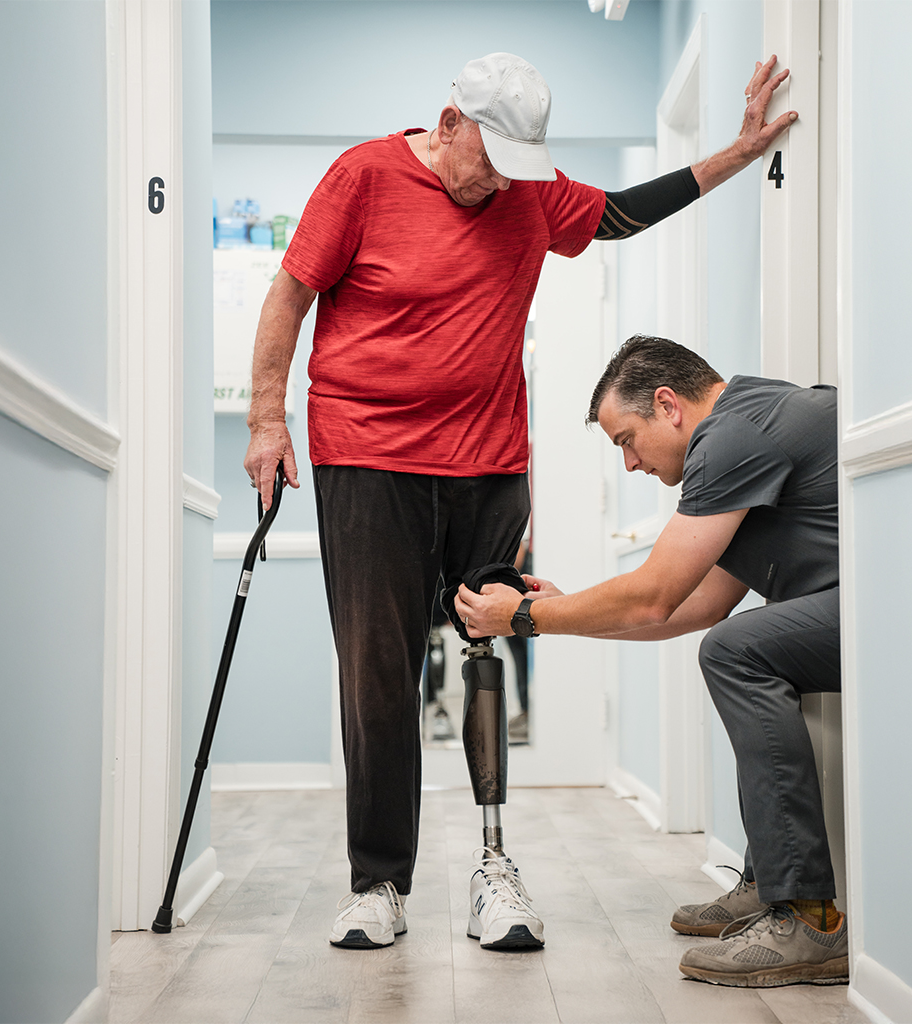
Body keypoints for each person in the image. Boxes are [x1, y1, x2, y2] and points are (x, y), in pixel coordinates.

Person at [244, 52, 797, 952]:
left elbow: (620, 213)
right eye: (487, 159)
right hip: (367, 455)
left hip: (487, 460)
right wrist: (267, 418)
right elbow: (290, 293)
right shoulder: (362, 175)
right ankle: (379, 881)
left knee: (493, 638)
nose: (499, 181)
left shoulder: (528, 193)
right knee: (377, 671)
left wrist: (738, 152)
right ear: (450, 121)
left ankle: (494, 869)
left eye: (517, 166)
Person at [455, 335, 846, 986]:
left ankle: (805, 914)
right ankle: (769, 880)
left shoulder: (730, 437)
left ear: (668, 405)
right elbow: (694, 606)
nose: (631, 464)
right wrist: (560, 615)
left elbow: (657, 595)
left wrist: (524, 616)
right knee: (734, 640)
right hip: (864, 602)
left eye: (626, 440)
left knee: (737, 651)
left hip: (895, 607)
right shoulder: (749, 426)